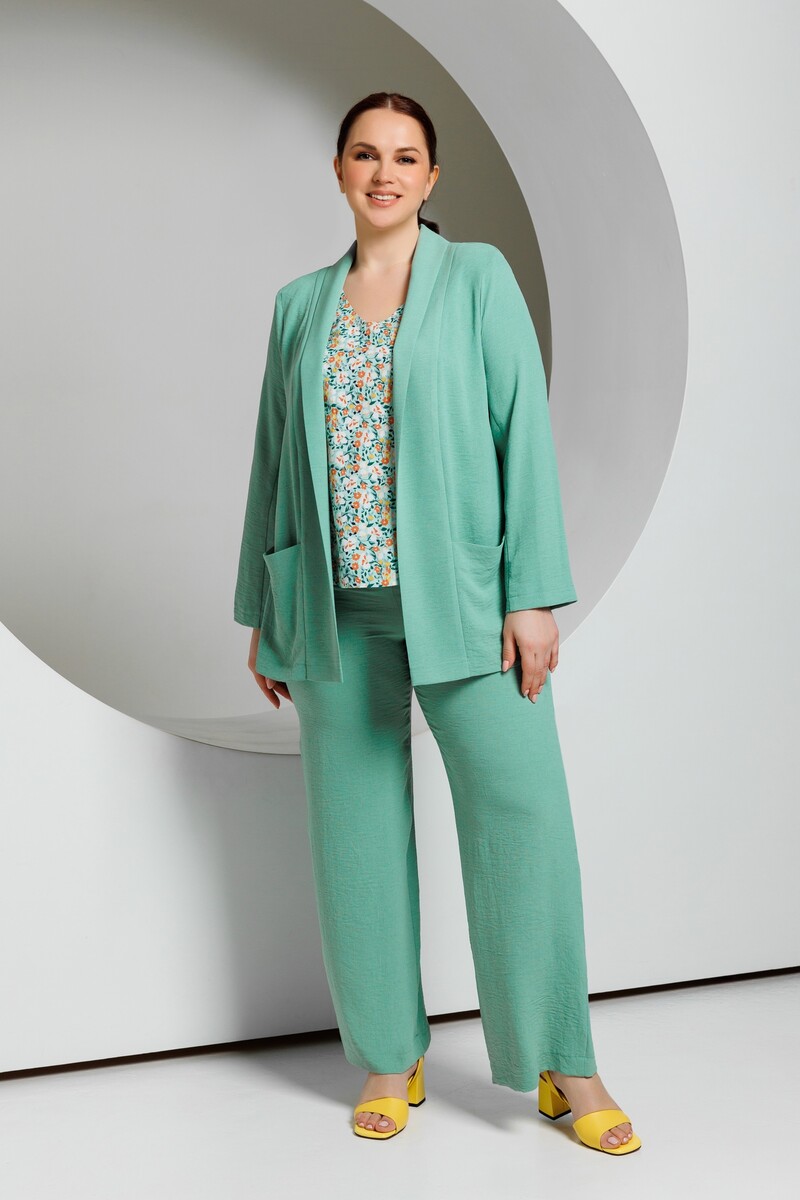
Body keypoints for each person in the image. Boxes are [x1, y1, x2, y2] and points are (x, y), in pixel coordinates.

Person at [234, 91, 641, 1155]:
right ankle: (388, 1052)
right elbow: (273, 464)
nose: (385, 173)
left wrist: (529, 594)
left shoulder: (477, 280)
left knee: (521, 821)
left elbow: (522, 434)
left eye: (405, 157)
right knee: (355, 838)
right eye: (365, 154)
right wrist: (264, 613)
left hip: (466, 603)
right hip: (332, 614)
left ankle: (563, 1062)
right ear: (338, 170)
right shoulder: (298, 305)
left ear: (430, 176)